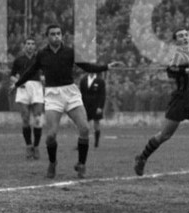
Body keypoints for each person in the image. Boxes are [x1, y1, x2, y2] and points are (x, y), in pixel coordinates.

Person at [13, 25, 120, 179]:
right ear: (47, 37)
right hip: (52, 95)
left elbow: (87, 66)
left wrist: (106, 67)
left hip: (70, 93)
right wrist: (17, 84)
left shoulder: (70, 52)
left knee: (85, 129)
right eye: (53, 34)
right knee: (51, 136)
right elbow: (30, 72)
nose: (56, 36)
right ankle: (52, 163)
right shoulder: (42, 54)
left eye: (59, 33)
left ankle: (81, 164)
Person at [134, 28, 189, 177]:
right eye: (181, 36)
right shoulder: (177, 55)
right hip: (180, 101)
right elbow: (171, 71)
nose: (185, 37)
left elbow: (185, 77)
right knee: (164, 135)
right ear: (176, 40)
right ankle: (142, 158)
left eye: (186, 35)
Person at [10, 37, 44, 159]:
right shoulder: (18, 60)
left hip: (37, 88)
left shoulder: (40, 59)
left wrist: (44, 79)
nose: (30, 46)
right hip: (23, 88)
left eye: (32, 44)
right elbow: (12, 76)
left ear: (35, 46)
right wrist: (17, 81)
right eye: (28, 44)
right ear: (24, 46)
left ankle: (36, 146)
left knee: (38, 119)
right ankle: (29, 146)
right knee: (25, 118)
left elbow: (46, 74)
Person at [79, 70, 106, 149]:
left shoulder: (100, 81)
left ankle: (96, 143)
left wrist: (100, 107)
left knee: (96, 123)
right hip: (85, 105)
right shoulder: (83, 80)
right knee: (84, 124)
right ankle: (83, 142)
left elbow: (102, 95)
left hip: (96, 105)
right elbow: (80, 93)